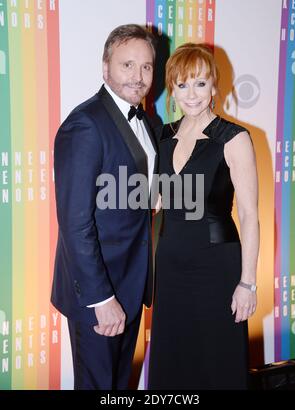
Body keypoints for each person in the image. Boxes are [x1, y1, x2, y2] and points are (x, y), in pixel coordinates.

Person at [51, 24, 158, 390]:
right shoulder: (84, 125)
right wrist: (102, 298)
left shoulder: (149, 121)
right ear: (105, 68)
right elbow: (74, 223)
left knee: (118, 385)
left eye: (146, 67)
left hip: (132, 284)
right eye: (127, 65)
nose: (138, 76)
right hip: (99, 293)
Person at [148, 43, 259, 390]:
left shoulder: (234, 138)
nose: (191, 94)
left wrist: (247, 283)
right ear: (172, 89)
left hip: (217, 268)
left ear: (214, 85)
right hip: (169, 267)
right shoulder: (163, 136)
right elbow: (157, 200)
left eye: (199, 83)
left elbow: (250, 215)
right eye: (182, 85)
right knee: (174, 360)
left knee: (217, 361)